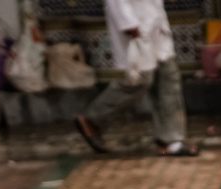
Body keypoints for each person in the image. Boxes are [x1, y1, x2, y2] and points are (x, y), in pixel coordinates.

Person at [75, 0, 198, 156]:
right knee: (140, 79)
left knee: (168, 77)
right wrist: (127, 22)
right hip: (135, 27)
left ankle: (170, 140)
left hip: (155, 23)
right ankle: (92, 119)